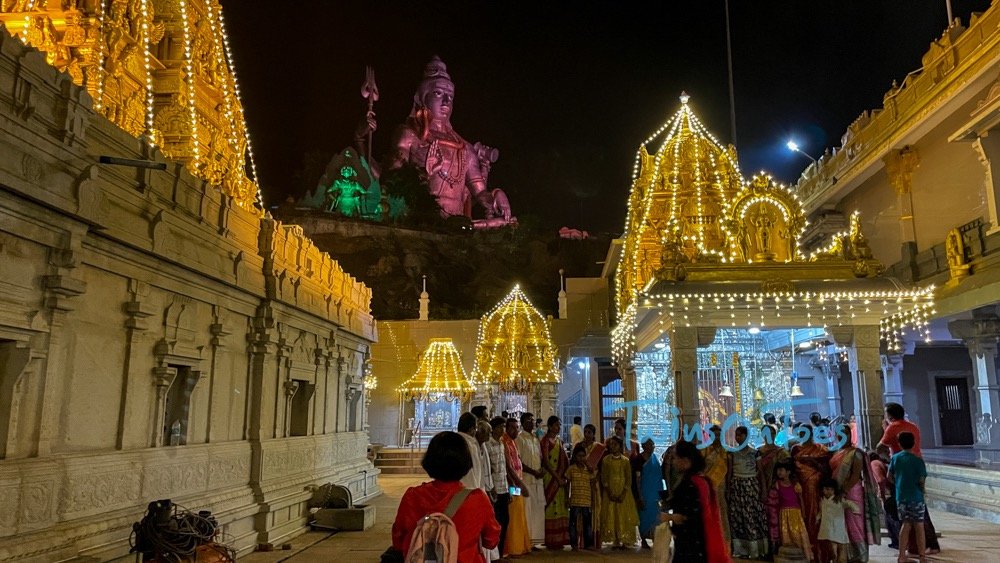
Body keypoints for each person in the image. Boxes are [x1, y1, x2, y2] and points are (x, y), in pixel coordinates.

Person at [391, 431, 501, 562]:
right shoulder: (477, 500)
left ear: (429, 460)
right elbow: (491, 540)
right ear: (466, 461)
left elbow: (398, 540)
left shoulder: (412, 496)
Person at [878, 403, 940, 554]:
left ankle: (905, 546)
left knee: (903, 516)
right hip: (916, 469)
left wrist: (887, 459)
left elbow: (879, 447)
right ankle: (929, 545)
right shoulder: (913, 426)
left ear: (890, 416)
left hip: (901, 471)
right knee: (921, 510)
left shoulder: (893, 428)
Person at [659, 440, 731, 563]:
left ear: (686, 461)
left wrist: (669, 517)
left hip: (691, 543)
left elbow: (691, 515)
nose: (673, 462)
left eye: (676, 458)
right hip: (700, 540)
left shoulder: (690, 484)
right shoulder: (702, 481)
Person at [829, 427, 880, 561]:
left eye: (845, 433)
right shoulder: (836, 452)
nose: (841, 436)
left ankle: (860, 555)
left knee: (855, 525)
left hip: (852, 492)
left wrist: (843, 491)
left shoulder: (856, 453)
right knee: (841, 525)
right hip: (836, 492)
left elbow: (855, 475)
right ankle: (844, 555)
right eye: (839, 434)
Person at [728, 426, 769, 560]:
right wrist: (728, 489)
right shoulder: (732, 453)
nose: (738, 437)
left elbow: (761, 473)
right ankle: (742, 549)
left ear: (747, 436)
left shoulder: (755, 453)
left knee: (753, 516)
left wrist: (763, 490)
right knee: (738, 517)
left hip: (751, 486)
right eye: (737, 435)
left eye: (741, 435)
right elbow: (729, 473)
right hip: (737, 486)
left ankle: (756, 550)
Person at [888, 432, 928, 563]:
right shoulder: (917, 461)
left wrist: (899, 485)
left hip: (901, 497)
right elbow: (921, 481)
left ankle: (901, 556)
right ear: (914, 443)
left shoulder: (895, 458)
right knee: (919, 526)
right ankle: (922, 557)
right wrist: (922, 491)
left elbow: (889, 476)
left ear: (899, 444)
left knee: (905, 525)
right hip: (916, 497)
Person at [794, 426, 831, 561]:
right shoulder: (795, 449)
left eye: (805, 433)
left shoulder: (821, 450)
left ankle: (820, 551)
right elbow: (792, 470)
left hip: (816, 488)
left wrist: (811, 461)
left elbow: (826, 469)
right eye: (800, 433)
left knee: (816, 516)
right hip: (800, 489)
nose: (802, 435)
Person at [766, 460, 813, 561]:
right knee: (786, 533)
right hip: (783, 513)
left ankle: (804, 555)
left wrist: (803, 513)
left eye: (781, 470)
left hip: (795, 512)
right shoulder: (777, 484)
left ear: (788, 472)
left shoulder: (796, 485)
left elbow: (801, 500)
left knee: (797, 533)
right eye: (778, 470)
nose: (779, 472)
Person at [600, 436, 639, 549]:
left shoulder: (625, 461)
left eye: (615, 444)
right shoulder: (606, 460)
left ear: (620, 446)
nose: (613, 447)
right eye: (611, 444)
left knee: (623, 514)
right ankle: (615, 539)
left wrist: (623, 493)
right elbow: (604, 478)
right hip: (610, 492)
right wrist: (609, 491)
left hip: (624, 493)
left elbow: (628, 478)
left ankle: (624, 538)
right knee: (612, 514)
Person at [501, 418, 532, 557]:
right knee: (513, 514)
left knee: (519, 512)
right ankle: (513, 547)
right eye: (512, 428)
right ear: (506, 428)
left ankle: (520, 546)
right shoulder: (504, 442)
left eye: (516, 427)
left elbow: (517, 462)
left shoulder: (513, 442)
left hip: (517, 481)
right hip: (511, 484)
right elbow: (508, 467)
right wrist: (519, 484)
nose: (516, 430)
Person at [539, 415, 570, 549]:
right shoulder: (545, 441)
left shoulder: (559, 441)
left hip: (560, 479)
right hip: (550, 478)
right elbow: (545, 461)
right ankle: (550, 539)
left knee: (560, 506)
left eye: (559, 425)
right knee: (551, 506)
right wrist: (556, 477)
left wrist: (563, 477)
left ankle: (561, 538)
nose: (558, 427)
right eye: (556, 425)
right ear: (550, 426)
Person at [515, 412, 545, 545]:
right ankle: (527, 540)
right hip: (526, 479)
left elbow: (540, 457)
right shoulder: (520, 439)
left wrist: (540, 470)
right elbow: (518, 461)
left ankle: (535, 539)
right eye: (528, 420)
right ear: (522, 423)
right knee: (527, 509)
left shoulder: (535, 438)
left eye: (532, 420)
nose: (531, 422)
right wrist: (533, 471)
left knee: (537, 509)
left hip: (537, 480)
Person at [817, 478, 859, 563]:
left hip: (838, 527)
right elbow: (821, 511)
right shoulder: (822, 501)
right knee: (832, 551)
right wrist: (817, 518)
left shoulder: (838, 500)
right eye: (824, 489)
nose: (825, 491)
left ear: (833, 490)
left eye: (828, 489)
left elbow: (849, 503)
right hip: (827, 528)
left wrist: (856, 510)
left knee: (841, 550)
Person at [485, 417, 510, 556]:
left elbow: (503, 467)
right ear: (493, 428)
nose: (503, 429)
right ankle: (493, 553)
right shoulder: (487, 444)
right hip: (494, 489)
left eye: (504, 426)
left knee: (505, 520)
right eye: (500, 427)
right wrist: (491, 488)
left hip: (503, 487)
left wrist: (508, 489)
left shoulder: (501, 443)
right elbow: (488, 469)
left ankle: (500, 551)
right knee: (495, 521)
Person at [633, 438, 664, 549]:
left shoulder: (655, 459)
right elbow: (637, 479)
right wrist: (640, 496)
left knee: (656, 516)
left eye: (653, 444)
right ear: (644, 446)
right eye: (650, 444)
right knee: (644, 517)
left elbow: (658, 476)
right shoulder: (638, 460)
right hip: (645, 493)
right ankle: (644, 540)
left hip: (655, 493)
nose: (652, 446)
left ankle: (656, 539)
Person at [702, 425, 730, 543]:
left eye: (719, 435)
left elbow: (729, 470)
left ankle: (725, 540)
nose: (717, 437)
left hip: (721, 486)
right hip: (708, 486)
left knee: (722, 512)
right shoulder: (704, 451)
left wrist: (728, 487)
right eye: (714, 435)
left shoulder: (726, 451)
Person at [566, 444, 597, 551]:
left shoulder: (589, 470)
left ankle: (588, 544)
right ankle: (574, 543)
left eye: (583, 456)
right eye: (579, 456)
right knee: (573, 523)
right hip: (575, 500)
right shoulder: (571, 469)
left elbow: (592, 486)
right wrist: (567, 498)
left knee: (587, 524)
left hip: (586, 500)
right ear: (575, 457)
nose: (581, 458)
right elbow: (568, 484)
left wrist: (593, 500)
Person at [869, 446, 900, 550]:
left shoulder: (873, 464)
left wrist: (882, 495)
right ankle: (897, 541)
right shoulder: (879, 462)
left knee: (891, 518)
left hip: (889, 493)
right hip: (892, 490)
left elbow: (880, 480)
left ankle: (897, 541)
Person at [580, 423, 605, 548]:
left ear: (594, 434)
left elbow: (601, 467)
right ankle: (584, 540)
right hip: (581, 482)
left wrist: (596, 478)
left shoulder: (598, 448)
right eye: (585, 432)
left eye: (589, 432)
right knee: (583, 511)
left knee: (595, 510)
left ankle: (594, 541)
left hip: (594, 482)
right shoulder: (579, 446)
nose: (586, 434)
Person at [458, 412, 486, 491]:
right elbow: (476, 471)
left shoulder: (452, 441)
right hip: (470, 488)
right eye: (476, 428)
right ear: (471, 429)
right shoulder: (470, 445)